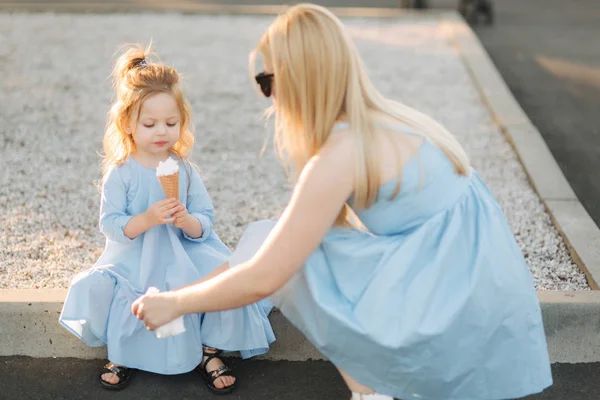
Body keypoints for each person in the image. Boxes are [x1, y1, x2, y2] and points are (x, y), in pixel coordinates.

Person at [132, 4, 553, 399]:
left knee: (294, 265)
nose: (267, 97)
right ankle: (372, 391)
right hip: (470, 281)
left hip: (451, 298)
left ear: (298, 80)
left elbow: (266, 274)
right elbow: (277, 243)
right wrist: (180, 296)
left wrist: (176, 304)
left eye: (267, 81)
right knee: (281, 243)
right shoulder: (385, 119)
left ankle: (373, 393)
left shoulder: (340, 155)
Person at [59, 45, 274, 393]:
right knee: (121, 291)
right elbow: (111, 224)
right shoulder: (122, 173)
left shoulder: (184, 171)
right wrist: (145, 218)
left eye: (171, 123)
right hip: (135, 255)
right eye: (150, 123)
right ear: (128, 124)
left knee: (220, 279)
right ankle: (123, 353)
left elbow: (206, 220)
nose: (162, 131)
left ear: (182, 121)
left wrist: (186, 220)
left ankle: (208, 351)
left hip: (182, 250)